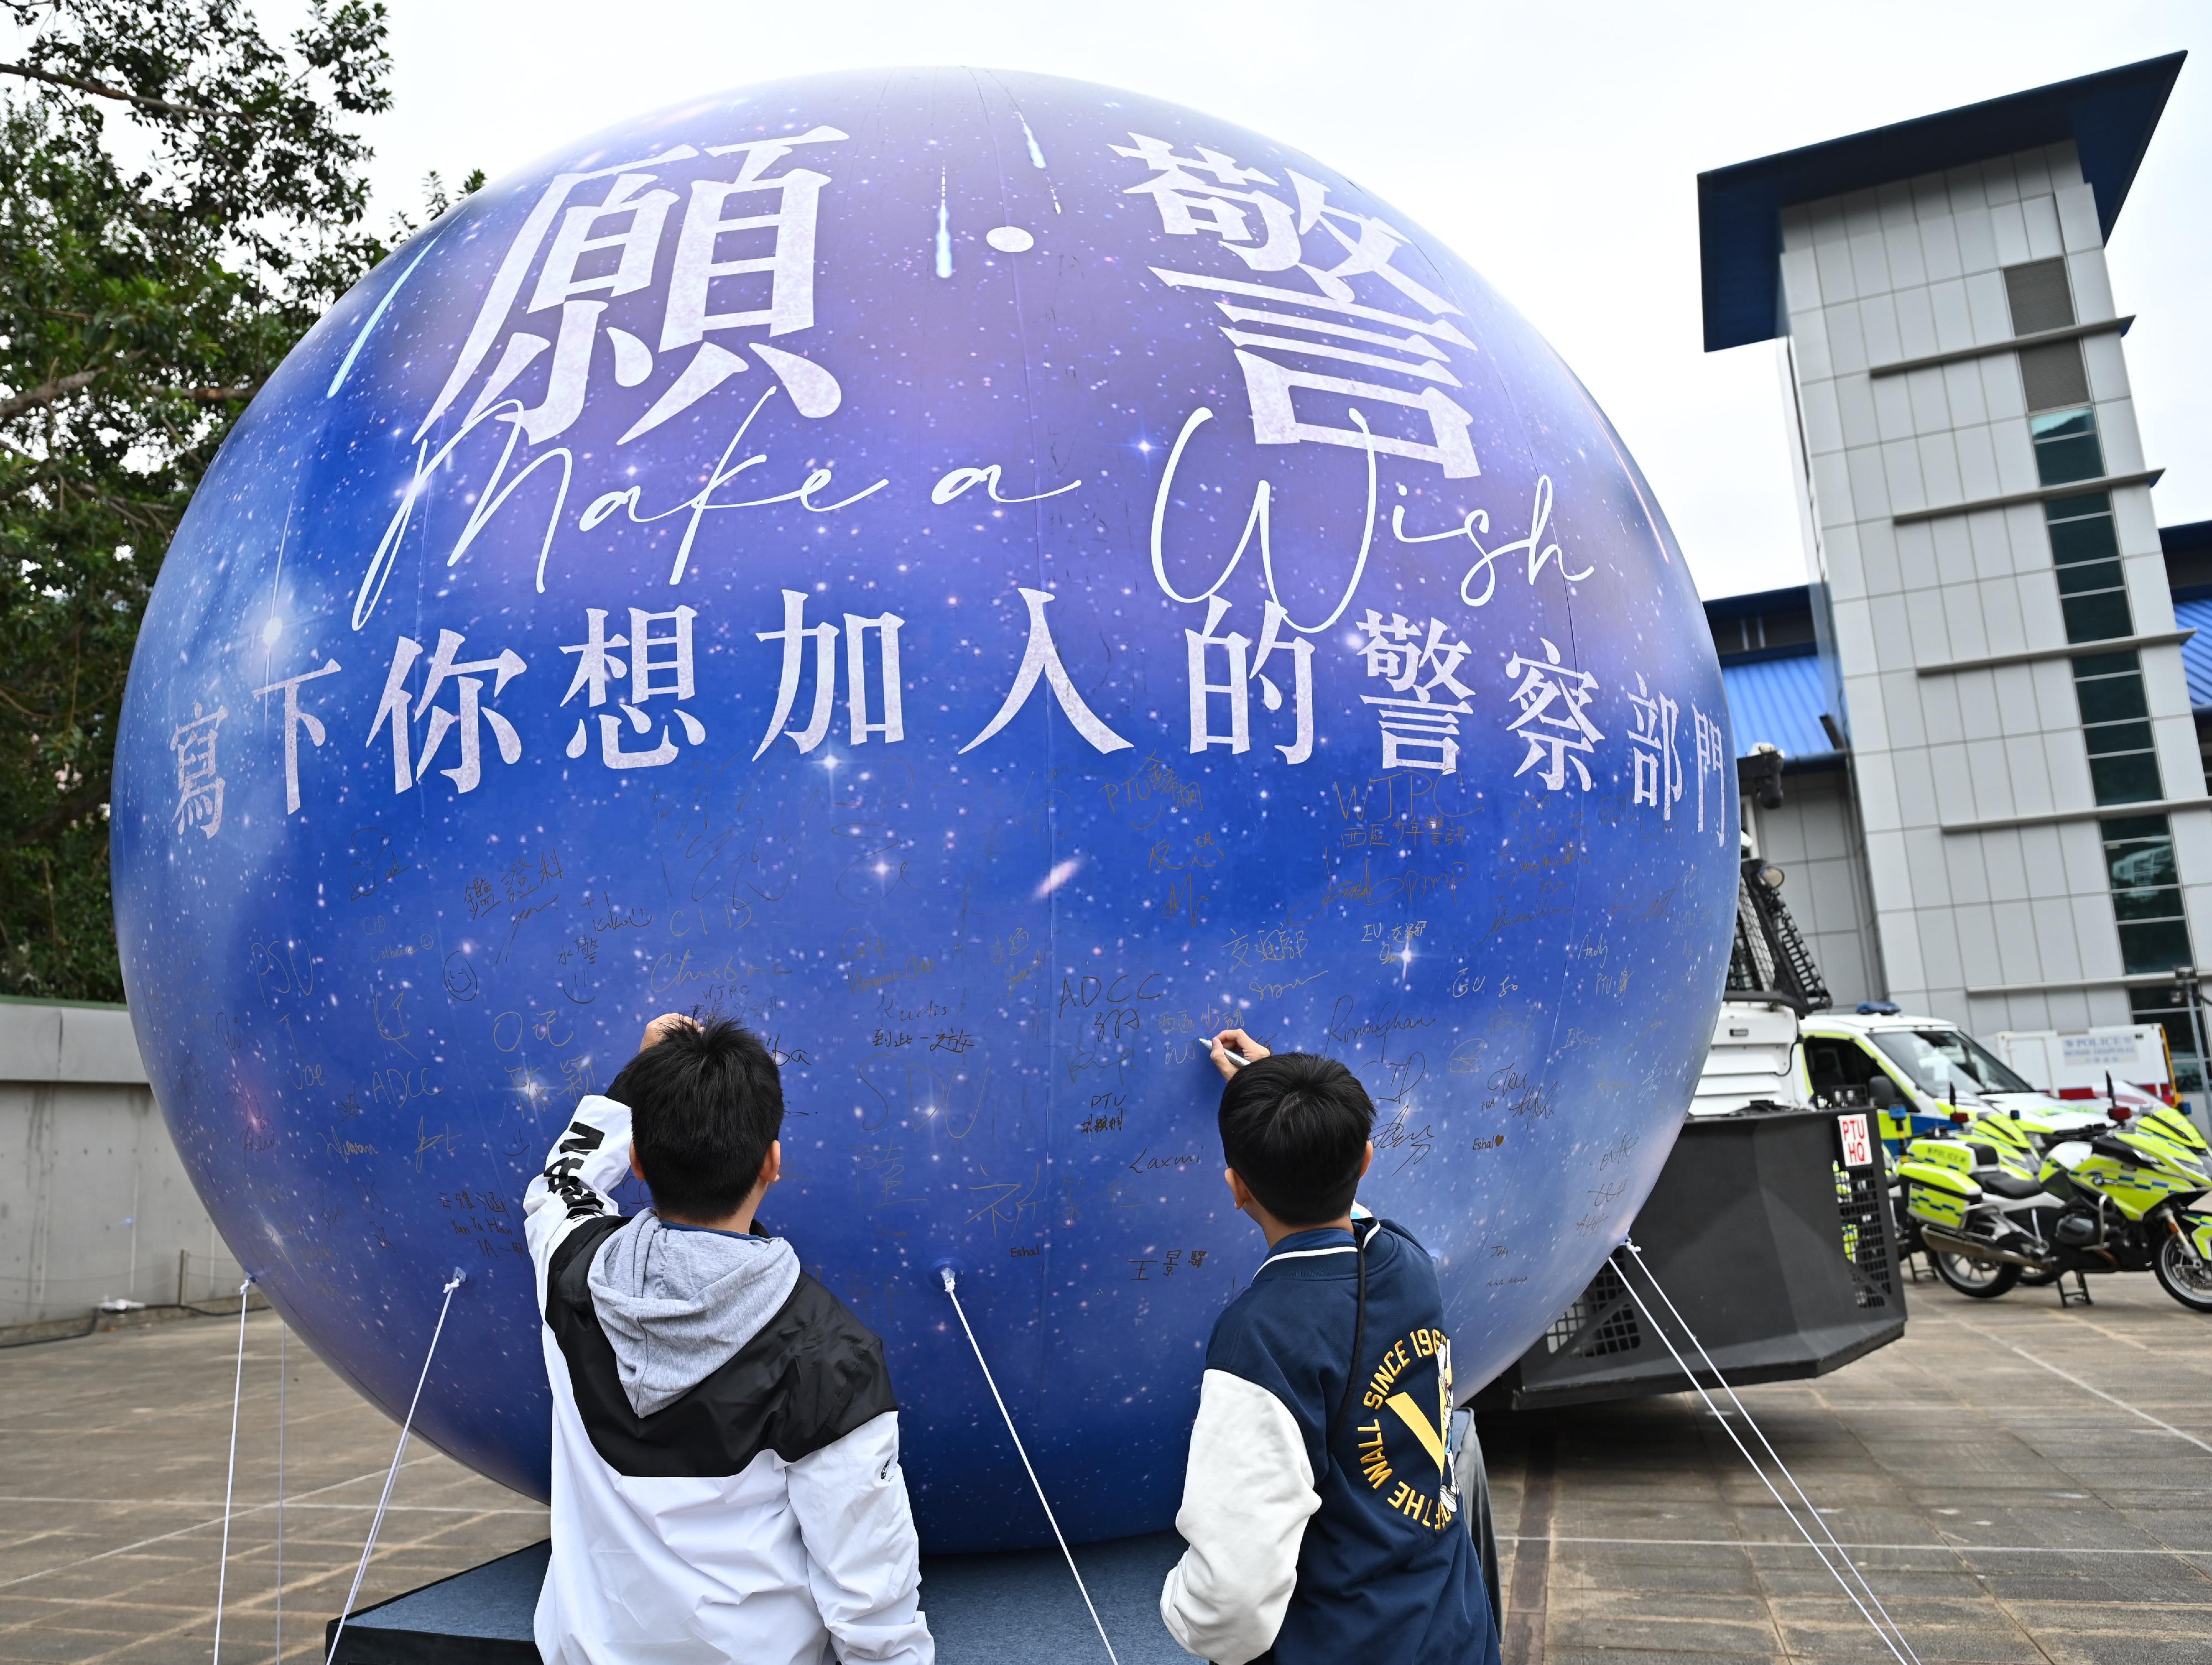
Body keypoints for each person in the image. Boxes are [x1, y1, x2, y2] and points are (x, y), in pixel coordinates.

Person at [523, 1012, 933, 1665]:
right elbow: (872, 1599)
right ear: (773, 1161)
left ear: (636, 1159)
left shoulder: (570, 1269)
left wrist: (643, 1077)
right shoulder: (831, 1355)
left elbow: (561, 1182)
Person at [1159, 1029, 1501, 1665]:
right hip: (1451, 1625)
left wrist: (1178, 1603)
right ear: (1366, 1159)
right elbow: (1351, 1211)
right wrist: (1284, 1100)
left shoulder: (1259, 1336)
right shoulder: (1407, 1262)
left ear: (1235, 1188)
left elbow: (1232, 1599)